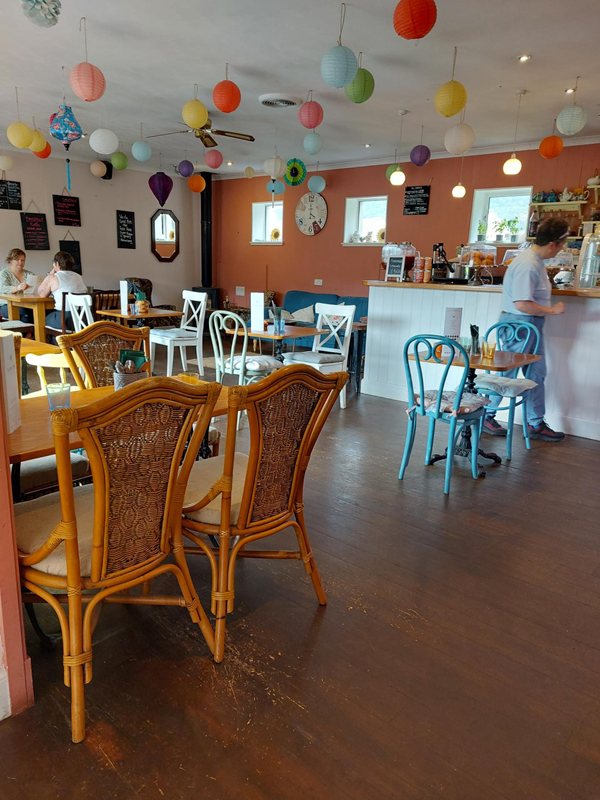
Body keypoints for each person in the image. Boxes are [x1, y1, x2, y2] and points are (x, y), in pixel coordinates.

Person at [483, 217, 568, 442]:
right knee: (506, 374)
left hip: (529, 325)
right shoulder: (528, 264)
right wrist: (553, 310)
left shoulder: (535, 261)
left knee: (536, 374)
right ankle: (486, 415)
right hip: (519, 325)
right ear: (553, 244)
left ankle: (535, 423)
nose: (560, 250)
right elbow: (521, 303)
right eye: (561, 246)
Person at [38, 251, 88, 331]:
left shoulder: (54, 277)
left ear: (57, 263)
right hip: (81, 319)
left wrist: (49, 276)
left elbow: (41, 293)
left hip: (64, 319)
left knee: (43, 319)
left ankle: (54, 342)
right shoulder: (78, 276)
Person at [0, 248, 36, 322]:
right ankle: (27, 333)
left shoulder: (29, 274)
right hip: (7, 305)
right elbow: (2, 288)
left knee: (41, 311)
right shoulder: (4, 273)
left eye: (22, 260)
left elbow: (37, 286)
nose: (20, 262)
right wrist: (17, 288)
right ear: (10, 260)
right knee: (23, 313)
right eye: (17, 260)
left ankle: (35, 333)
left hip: (26, 303)